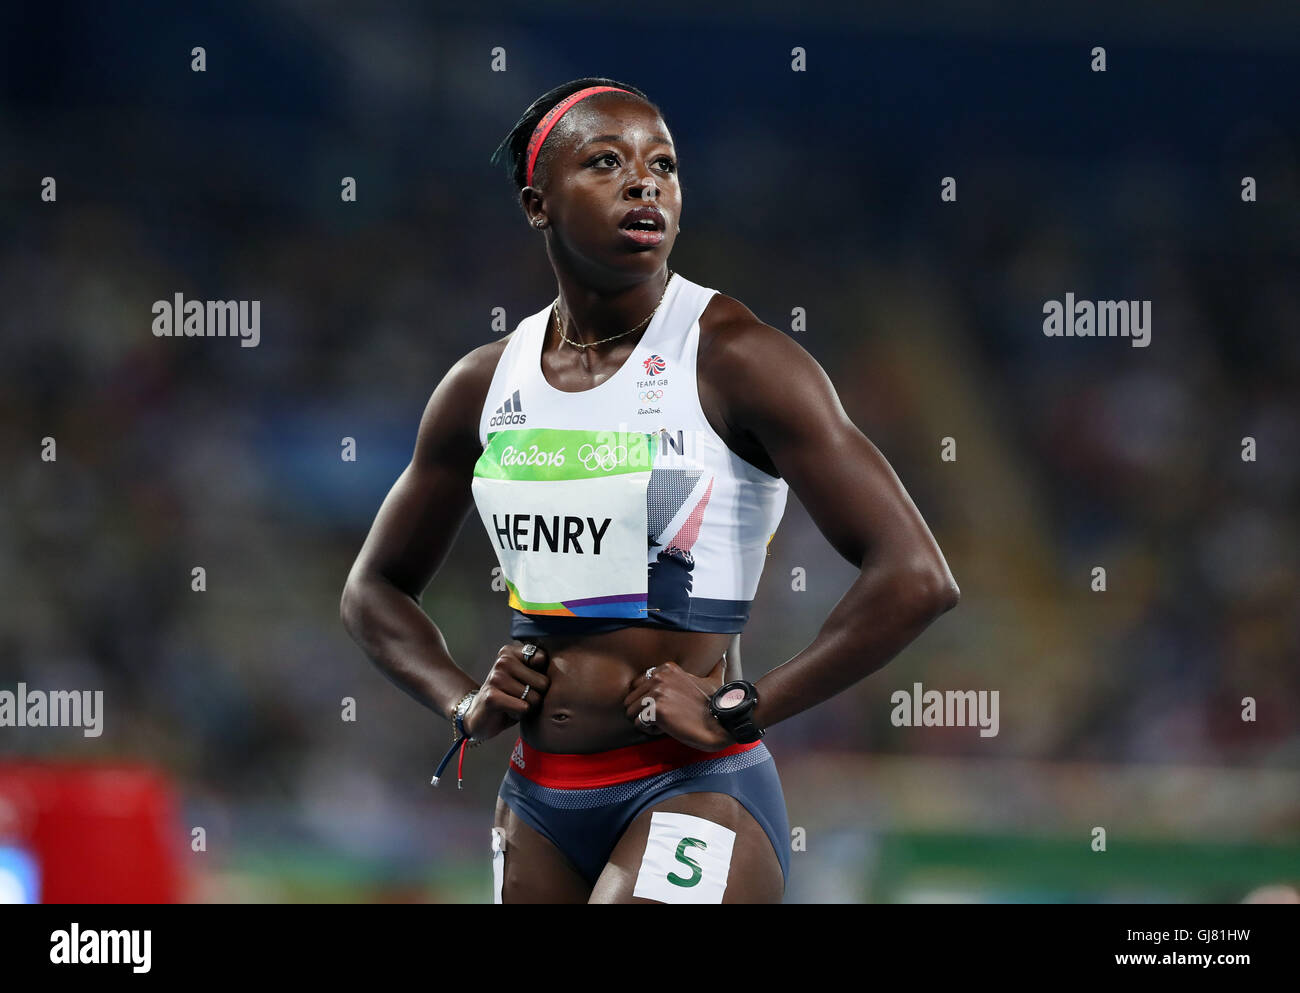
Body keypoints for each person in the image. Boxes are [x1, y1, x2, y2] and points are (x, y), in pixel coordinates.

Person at [340, 77, 959, 904]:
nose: (645, 183)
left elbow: (916, 575)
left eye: (663, 165)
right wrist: (459, 700)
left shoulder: (738, 359)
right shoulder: (483, 384)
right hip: (538, 797)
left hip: (693, 786)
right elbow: (372, 590)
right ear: (538, 203)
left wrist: (747, 703)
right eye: (606, 161)